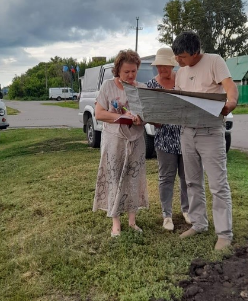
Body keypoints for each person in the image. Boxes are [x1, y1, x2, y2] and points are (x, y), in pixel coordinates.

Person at [172, 31, 239, 250]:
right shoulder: (181, 72)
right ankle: (198, 223)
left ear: (194, 52)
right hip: (187, 132)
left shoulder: (214, 61)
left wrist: (230, 104)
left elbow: (230, 89)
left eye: (181, 56)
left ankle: (224, 234)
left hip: (210, 132)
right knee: (191, 181)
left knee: (218, 185)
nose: (177, 60)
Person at [93, 49, 149, 237]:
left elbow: (147, 114)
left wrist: (142, 119)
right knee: (115, 178)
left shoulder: (141, 88)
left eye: (134, 71)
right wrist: (120, 116)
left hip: (136, 141)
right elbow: (99, 114)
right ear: (118, 70)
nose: (131, 75)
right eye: (127, 72)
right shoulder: (108, 87)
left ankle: (132, 221)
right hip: (114, 141)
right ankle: (115, 223)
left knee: (134, 179)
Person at [146, 47, 190, 231]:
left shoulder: (182, 79)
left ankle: (187, 210)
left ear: (172, 65)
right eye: (158, 67)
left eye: (165, 66)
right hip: (164, 137)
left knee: (187, 177)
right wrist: (157, 121)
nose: (161, 70)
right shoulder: (151, 85)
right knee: (166, 177)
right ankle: (167, 215)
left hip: (186, 134)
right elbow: (148, 113)